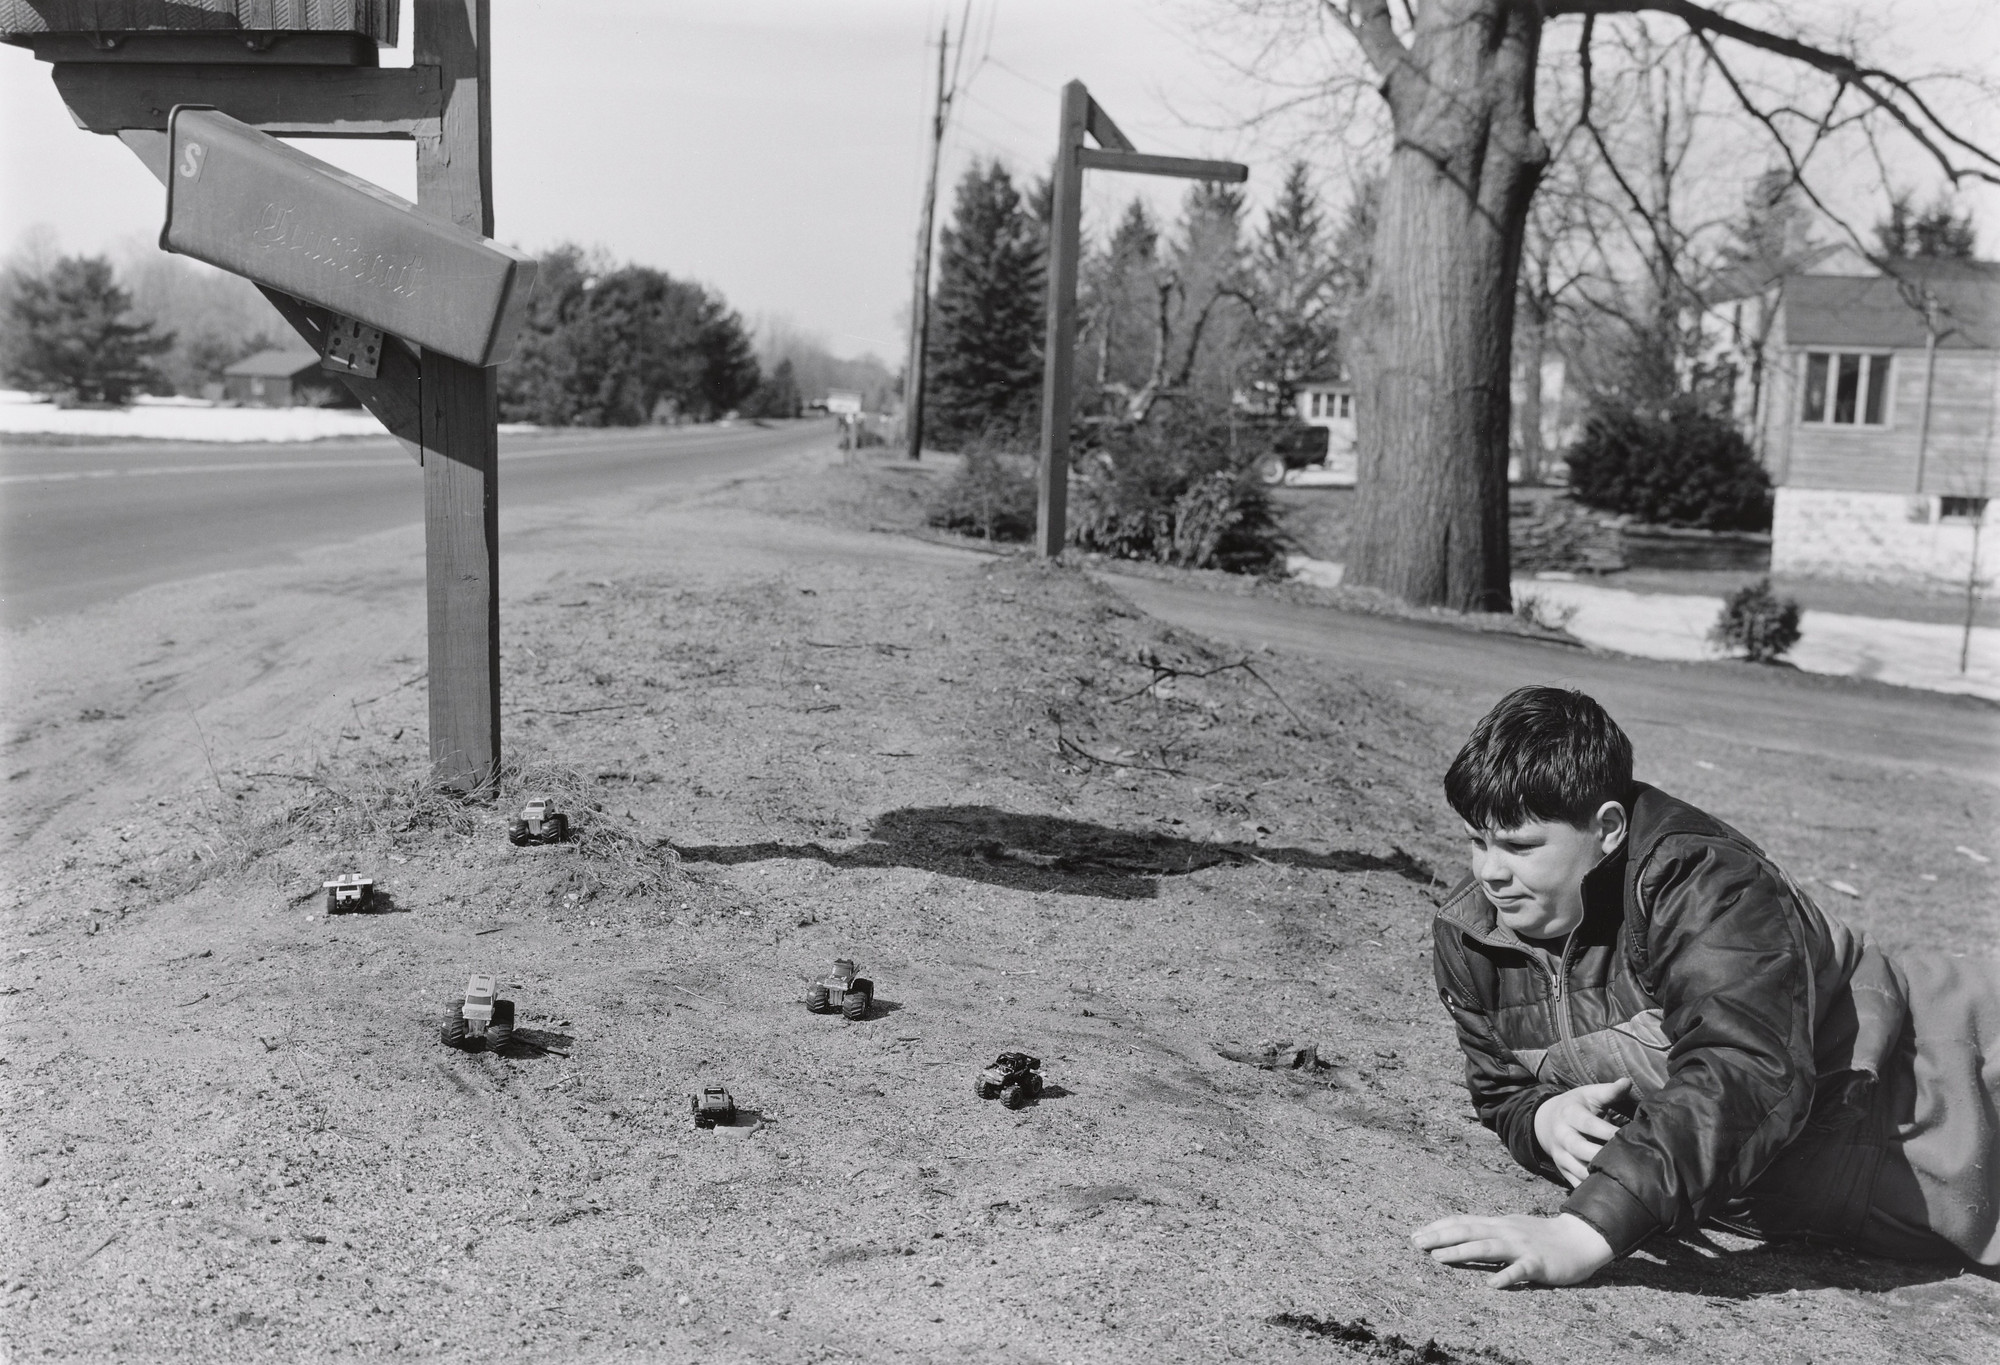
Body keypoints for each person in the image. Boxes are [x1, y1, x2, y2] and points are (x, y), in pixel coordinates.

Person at [1410, 685, 1999, 1288]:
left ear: (1608, 829)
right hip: (1868, 1186)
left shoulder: (1705, 882)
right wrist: (1541, 1118)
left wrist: (1585, 1231)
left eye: (1519, 846)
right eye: (1476, 841)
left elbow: (1743, 1062)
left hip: (1953, 1082)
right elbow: (1500, 1087)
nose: (1490, 873)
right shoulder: (1472, 935)